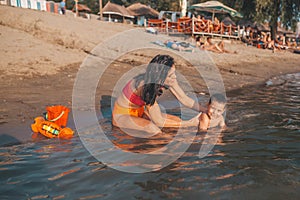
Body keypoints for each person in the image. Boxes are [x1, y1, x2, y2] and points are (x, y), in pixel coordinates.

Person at [112, 54, 206, 136]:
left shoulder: (168, 79)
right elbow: (158, 121)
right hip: (122, 116)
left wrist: (206, 111)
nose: (175, 77)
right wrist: (190, 123)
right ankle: (163, 153)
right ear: (159, 77)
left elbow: (184, 99)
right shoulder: (145, 86)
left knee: (177, 120)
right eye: (170, 75)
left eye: (174, 73)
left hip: (140, 113)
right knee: (153, 129)